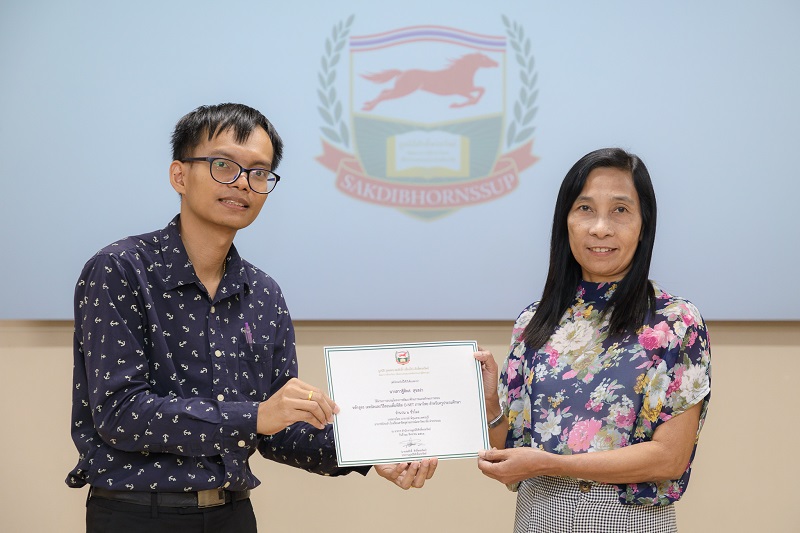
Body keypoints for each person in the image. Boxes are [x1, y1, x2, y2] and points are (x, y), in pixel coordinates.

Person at [66, 103, 436, 533]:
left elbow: (278, 430)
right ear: (179, 176)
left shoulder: (263, 293)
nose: (242, 182)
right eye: (223, 165)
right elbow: (121, 413)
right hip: (138, 514)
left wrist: (371, 449)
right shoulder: (121, 269)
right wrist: (256, 416)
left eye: (259, 172)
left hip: (233, 515)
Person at [475, 148, 711, 532]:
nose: (600, 228)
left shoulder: (676, 322)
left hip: (626, 520)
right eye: (585, 208)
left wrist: (551, 464)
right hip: (537, 516)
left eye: (620, 210)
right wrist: (489, 404)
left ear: (644, 224)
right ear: (565, 221)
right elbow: (509, 449)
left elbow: (669, 458)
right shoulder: (533, 321)